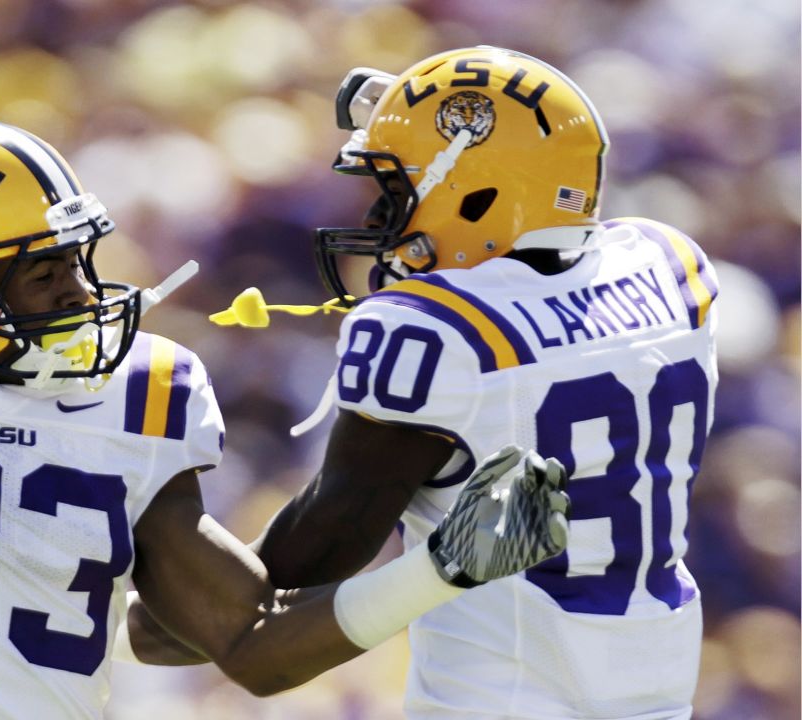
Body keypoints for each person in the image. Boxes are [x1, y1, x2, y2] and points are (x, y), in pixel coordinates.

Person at [0, 3, 571, 717]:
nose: (82, 293)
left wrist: (440, 568)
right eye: (40, 275)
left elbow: (252, 643)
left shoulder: (138, 399)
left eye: (80, 260)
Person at [245, 47, 717, 719]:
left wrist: (165, 594)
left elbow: (301, 565)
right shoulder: (672, 265)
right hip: (657, 693)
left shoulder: (433, 331)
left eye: (396, 194)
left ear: (479, 193)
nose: (380, 221)